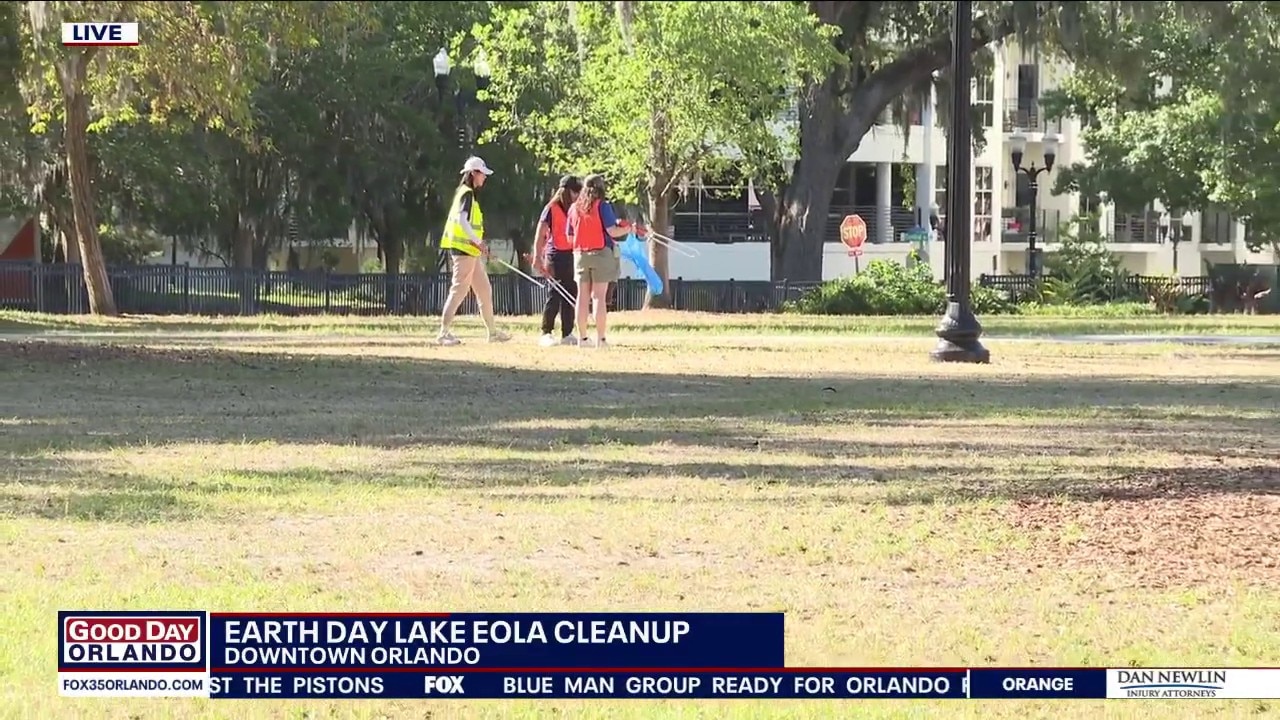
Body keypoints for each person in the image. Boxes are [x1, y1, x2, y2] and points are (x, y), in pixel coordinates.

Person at [436, 156, 511, 346]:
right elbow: (463, 221)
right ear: (473, 174)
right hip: (464, 251)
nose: (484, 178)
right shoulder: (467, 194)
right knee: (459, 290)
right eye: (482, 174)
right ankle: (443, 333)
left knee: (484, 290)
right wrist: (478, 242)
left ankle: (492, 333)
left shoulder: (466, 194)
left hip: (470, 251)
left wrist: (479, 245)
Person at [566, 174, 646, 349]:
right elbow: (612, 231)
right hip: (600, 253)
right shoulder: (602, 206)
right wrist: (629, 229)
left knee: (582, 296)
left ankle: (582, 338)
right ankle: (601, 339)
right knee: (598, 297)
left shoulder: (573, 208)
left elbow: (569, 236)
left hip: (580, 254)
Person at [533, 175, 583, 346]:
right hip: (554, 255)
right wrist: (537, 257)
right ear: (566, 191)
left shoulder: (576, 209)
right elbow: (540, 234)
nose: (578, 195)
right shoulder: (551, 208)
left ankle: (567, 332)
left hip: (572, 254)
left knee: (570, 293)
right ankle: (546, 331)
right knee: (554, 293)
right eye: (575, 191)